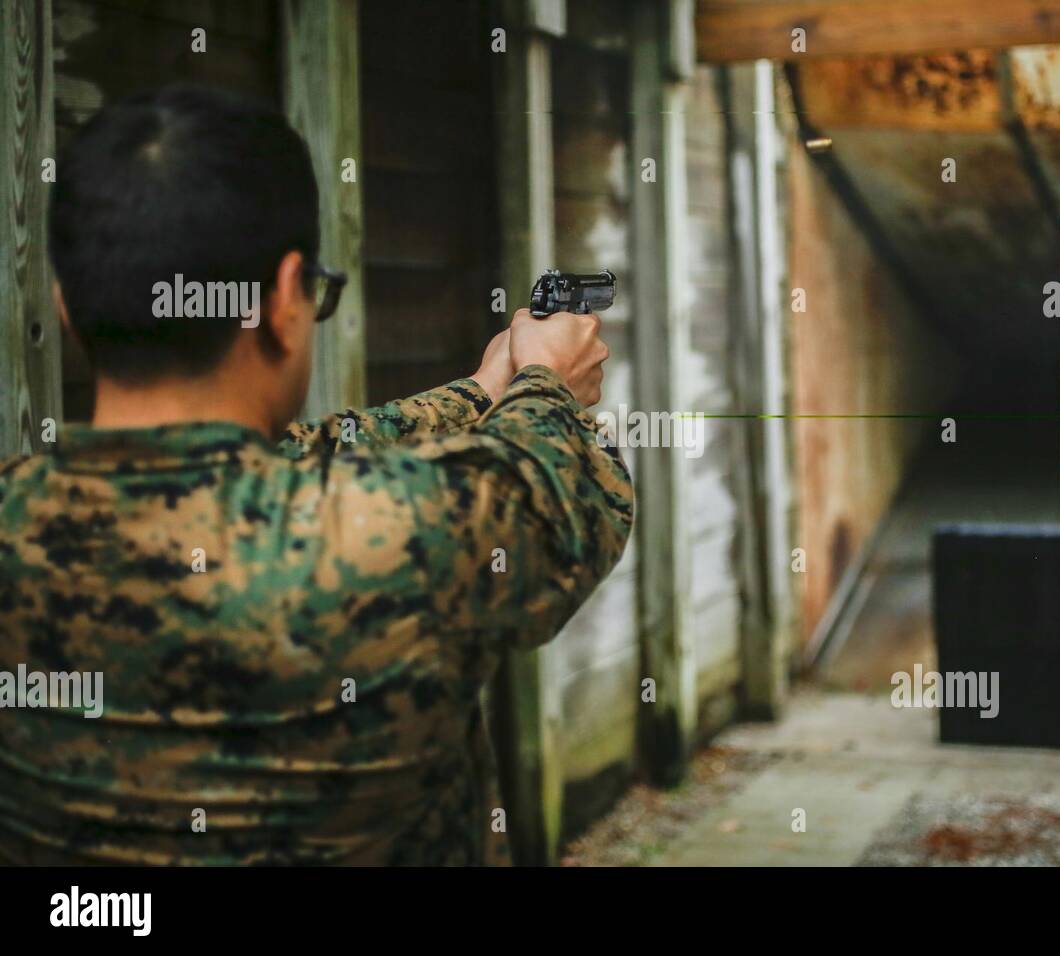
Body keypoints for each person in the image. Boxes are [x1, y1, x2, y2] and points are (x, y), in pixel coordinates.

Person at [0, 85, 633, 865]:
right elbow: (562, 490)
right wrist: (548, 387)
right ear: (285, 301)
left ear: (65, 304)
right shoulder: (406, 532)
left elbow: (308, 452)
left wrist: (482, 392)